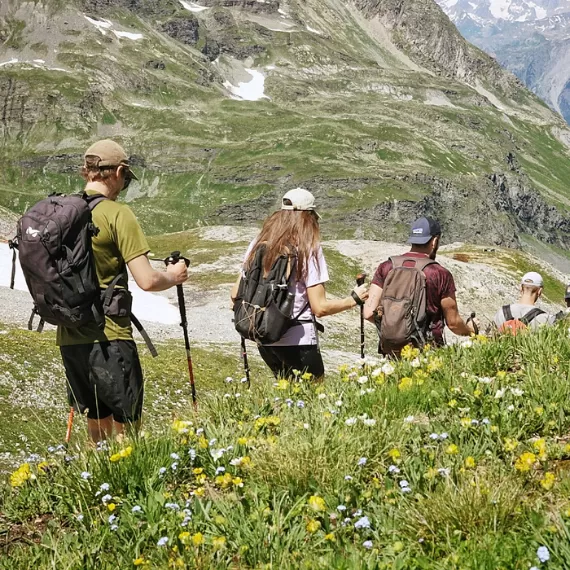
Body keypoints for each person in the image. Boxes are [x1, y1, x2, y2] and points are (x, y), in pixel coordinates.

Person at [57, 140, 188, 442]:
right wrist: (174, 275)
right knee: (126, 428)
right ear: (118, 171)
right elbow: (147, 281)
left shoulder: (63, 212)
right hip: (110, 336)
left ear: (85, 172)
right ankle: (125, 484)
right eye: (126, 178)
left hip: (69, 338)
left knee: (96, 426)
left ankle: (98, 482)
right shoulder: (118, 214)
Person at [230, 188, 368, 380]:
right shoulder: (308, 247)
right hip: (298, 337)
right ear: (309, 217)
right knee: (313, 397)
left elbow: (235, 294)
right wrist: (354, 299)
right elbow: (320, 308)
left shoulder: (257, 243)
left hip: (264, 336)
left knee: (287, 394)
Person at [364, 217, 476, 354]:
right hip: (428, 353)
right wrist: (471, 330)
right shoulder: (440, 274)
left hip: (391, 352)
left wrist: (396, 330)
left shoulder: (386, 267)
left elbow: (369, 313)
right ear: (434, 241)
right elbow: (453, 323)